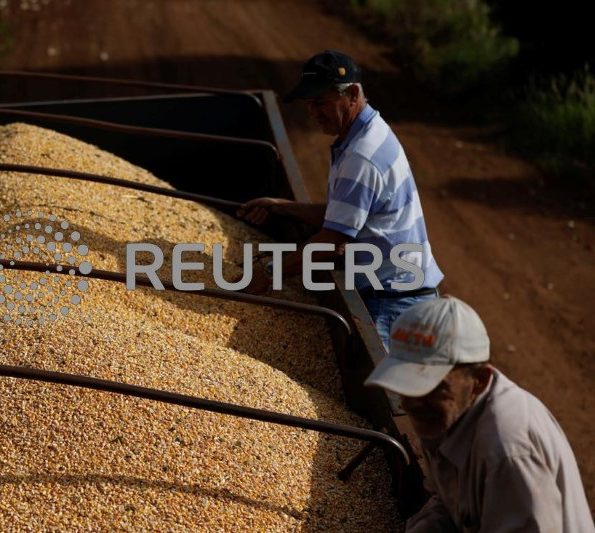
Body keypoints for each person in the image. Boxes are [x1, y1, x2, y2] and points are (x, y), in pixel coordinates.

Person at [236, 50, 443, 348]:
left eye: (321, 102)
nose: (314, 113)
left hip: (393, 304)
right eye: (308, 104)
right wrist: (285, 207)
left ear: (353, 94)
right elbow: (349, 218)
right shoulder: (366, 134)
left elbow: (333, 241)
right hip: (400, 295)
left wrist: (270, 273)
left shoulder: (362, 156)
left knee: (393, 392)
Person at [364, 295, 595, 532]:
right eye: (406, 384)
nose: (412, 403)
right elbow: (450, 503)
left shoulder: (507, 451)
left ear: (479, 380)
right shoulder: (442, 417)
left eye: (432, 387)